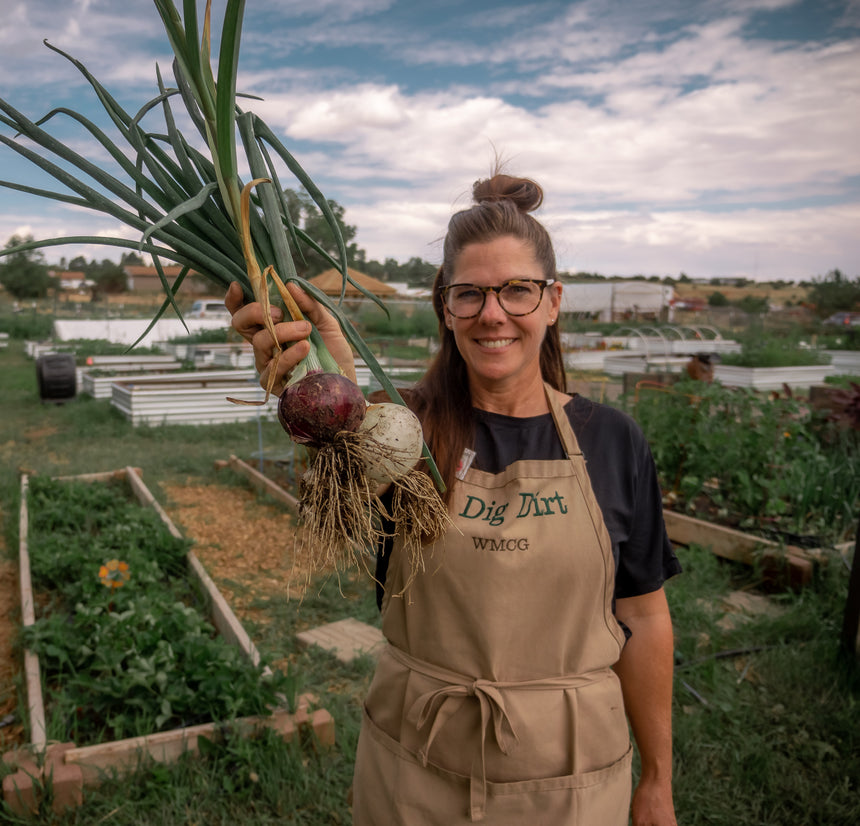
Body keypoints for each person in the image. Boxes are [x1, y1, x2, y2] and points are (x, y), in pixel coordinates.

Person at [226, 172, 681, 826]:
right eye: (469, 294)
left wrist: (659, 780)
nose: (492, 314)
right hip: (415, 774)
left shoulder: (612, 441)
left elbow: (645, 616)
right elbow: (344, 496)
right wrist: (327, 391)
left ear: (553, 301)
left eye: (517, 291)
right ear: (446, 307)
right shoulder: (398, 428)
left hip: (573, 783)